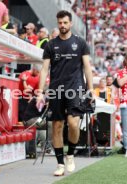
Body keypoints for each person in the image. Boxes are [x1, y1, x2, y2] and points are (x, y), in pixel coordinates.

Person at [36, 10, 93, 176]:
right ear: (57, 23)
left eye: (65, 23)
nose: (62, 25)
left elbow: (87, 68)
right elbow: (44, 69)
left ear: (70, 24)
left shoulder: (80, 43)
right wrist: (40, 92)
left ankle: (71, 154)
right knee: (57, 126)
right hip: (56, 90)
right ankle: (60, 164)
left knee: (74, 124)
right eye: (60, 23)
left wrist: (90, 90)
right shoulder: (50, 45)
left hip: (76, 88)